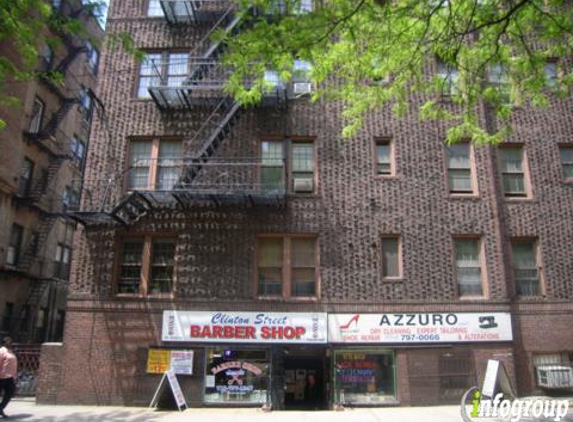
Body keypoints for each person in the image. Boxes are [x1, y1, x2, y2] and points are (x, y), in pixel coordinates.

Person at [0, 337, 17, 419]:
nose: (11, 343)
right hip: (1, 376)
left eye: (11, 341)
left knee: (10, 392)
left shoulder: (10, 351)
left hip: (10, 376)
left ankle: (0, 408)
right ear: (4, 342)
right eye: (9, 342)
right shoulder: (1, 351)